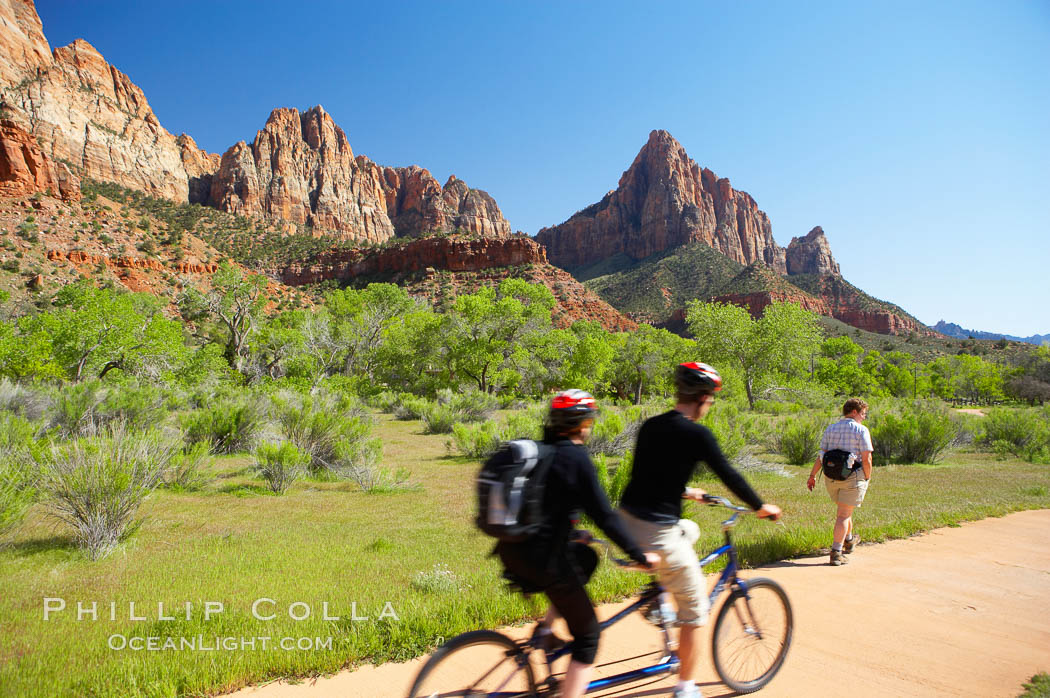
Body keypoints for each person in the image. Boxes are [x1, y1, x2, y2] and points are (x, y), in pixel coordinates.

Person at [619, 362, 782, 698]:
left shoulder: (651, 425)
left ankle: (658, 599)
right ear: (704, 398)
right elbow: (730, 475)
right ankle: (685, 687)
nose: (710, 405)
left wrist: (686, 491)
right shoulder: (697, 434)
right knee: (695, 613)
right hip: (657, 533)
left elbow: (645, 476)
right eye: (711, 399)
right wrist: (760, 506)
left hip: (626, 522)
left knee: (690, 529)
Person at [496, 389, 660, 698]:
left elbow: (542, 508)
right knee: (588, 638)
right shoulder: (576, 458)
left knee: (585, 558)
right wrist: (639, 555)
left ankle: (545, 631)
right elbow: (606, 517)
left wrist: (572, 535)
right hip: (544, 560)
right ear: (583, 423)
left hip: (511, 551)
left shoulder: (542, 450)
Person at [807, 398, 873, 566]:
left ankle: (849, 540)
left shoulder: (831, 428)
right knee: (843, 514)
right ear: (854, 412)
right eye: (863, 413)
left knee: (845, 510)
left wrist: (812, 475)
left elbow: (821, 455)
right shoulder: (861, 430)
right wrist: (867, 476)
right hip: (852, 476)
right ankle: (836, 552)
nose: (864, 417)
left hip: (831, 477)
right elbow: (867, 458)